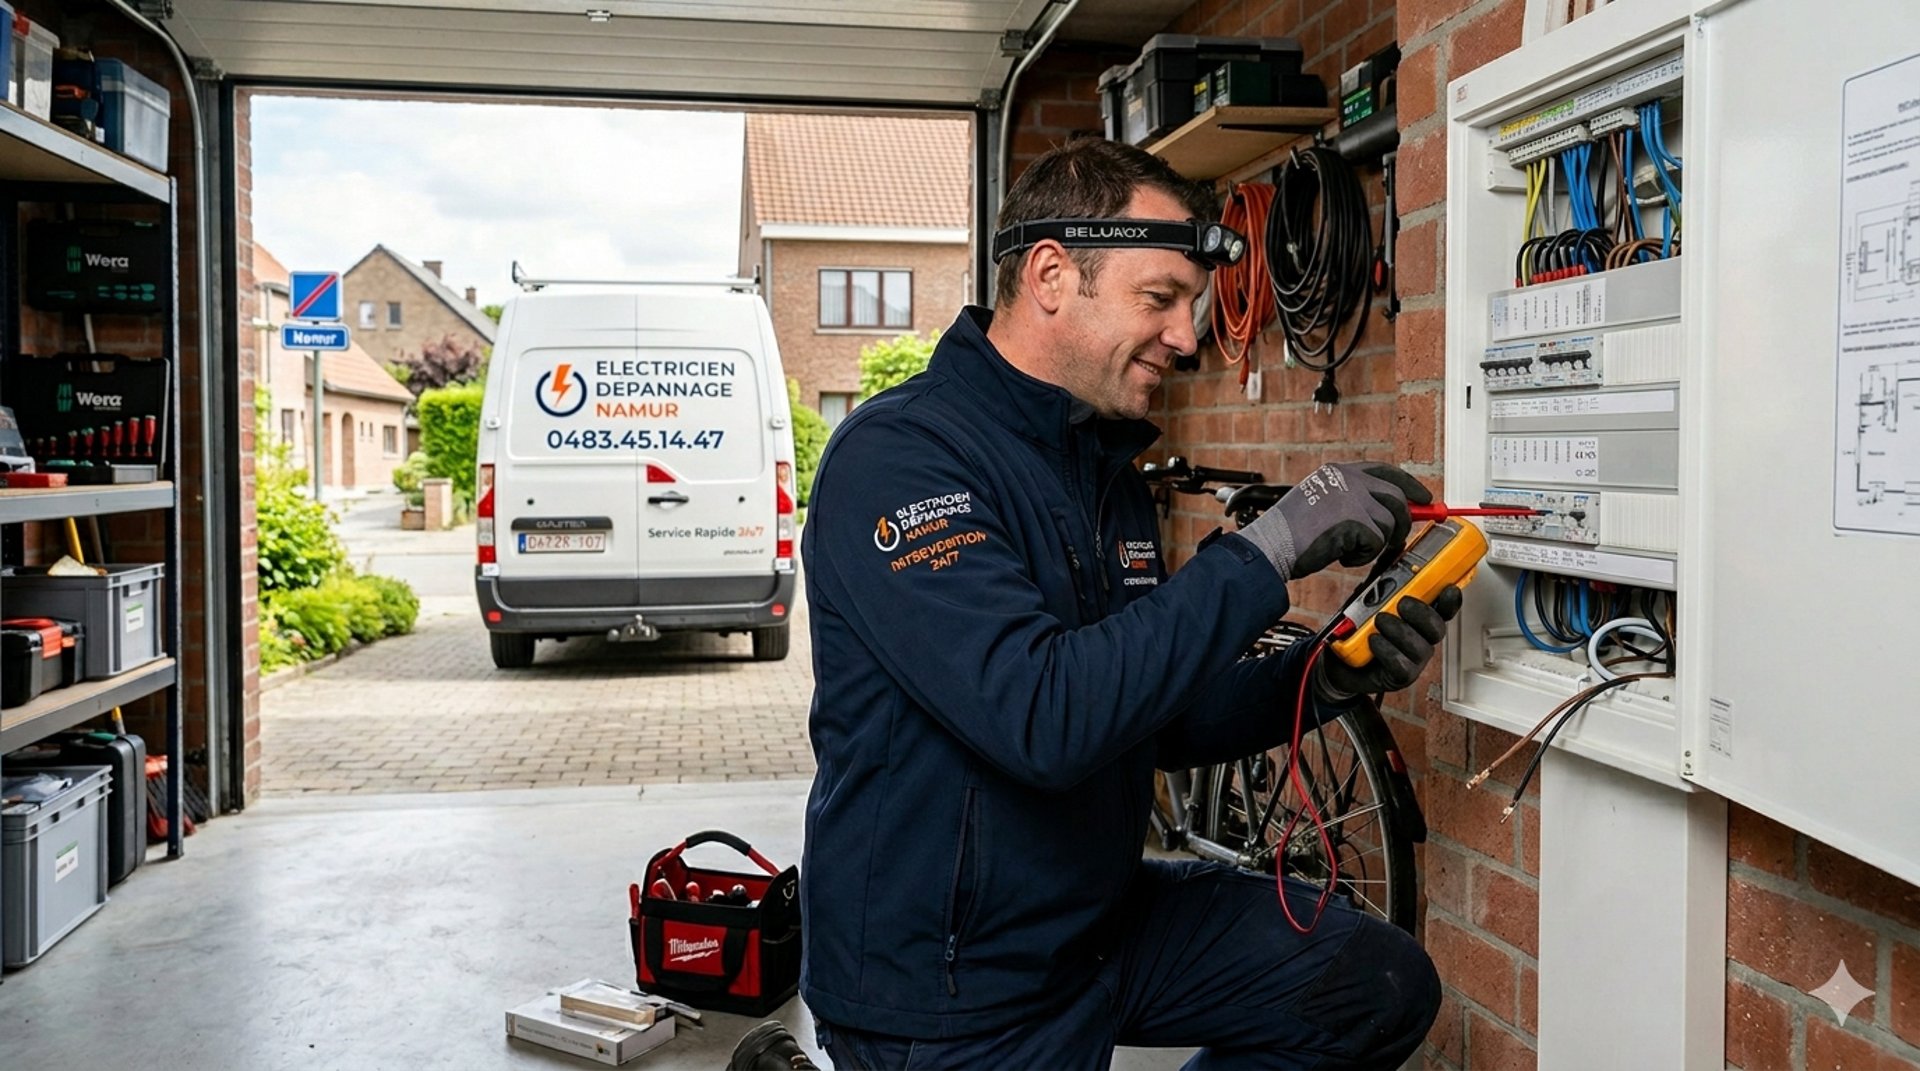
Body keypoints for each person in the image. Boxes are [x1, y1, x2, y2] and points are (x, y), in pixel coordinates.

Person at [795, 136, 1460, 1071]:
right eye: (1162, 299)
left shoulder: (1099, 466)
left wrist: (1326, 675)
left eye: (1190, 303)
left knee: (1372, 983)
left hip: (1096, 926)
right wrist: (1268, 549)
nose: (1188, 336)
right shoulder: (899, 458)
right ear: (1054, 275)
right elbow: (1043, 715)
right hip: (951, 987)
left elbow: (1150, 711)